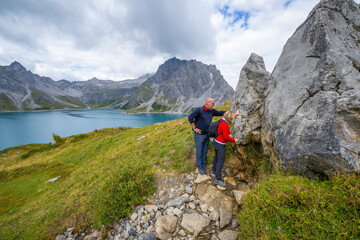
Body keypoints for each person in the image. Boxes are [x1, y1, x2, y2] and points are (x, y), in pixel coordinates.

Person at [188, 98, 240, 174]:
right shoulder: (200, 110)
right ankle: (200, 167)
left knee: (205, 151)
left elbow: (220, 113)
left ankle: (204, 166)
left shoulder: (211, 111)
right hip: (199, 135)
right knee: (199, 151)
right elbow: (190, 117)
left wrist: (233, 114)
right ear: (207, 103)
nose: (213, 105)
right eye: (212, 103)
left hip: (207, 134)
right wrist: (194, 128)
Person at [212, 111, 239, 188]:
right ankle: (218, 179)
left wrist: (234, 114)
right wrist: (234, 140)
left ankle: (214, 170)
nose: (232, 120)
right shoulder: (225, 124)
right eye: (232, 118)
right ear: (229, 118)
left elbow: (223, 133)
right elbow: (226, 137)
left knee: (217, 157)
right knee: (220, 160)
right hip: (220, 144)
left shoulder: (221, 120)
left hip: (216, 142)